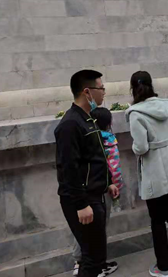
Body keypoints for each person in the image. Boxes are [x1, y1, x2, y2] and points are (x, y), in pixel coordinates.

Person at [126, 71, 168, 277]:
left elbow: (141, 147)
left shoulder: (136, 113)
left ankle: (163, 266)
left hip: (154, 166)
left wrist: (137, 148)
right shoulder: (165, 105)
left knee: (157, 218)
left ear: (133, 88)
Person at [55, 70, 119, 277]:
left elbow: (96, 156)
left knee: (96, 256)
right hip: (83, 199)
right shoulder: (70, 124)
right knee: (91, 257)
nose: (104, 92)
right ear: (87, 92)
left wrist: (108, 182)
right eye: (101, 88)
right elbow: (68, 168)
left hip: (95, 193)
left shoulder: (87, 119)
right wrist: (81, 204)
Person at [73, 108, 122, 276]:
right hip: (104, 188)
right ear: (109, 123)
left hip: (87, 188)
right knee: (99, 228)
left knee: (82, 228)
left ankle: (79, 261)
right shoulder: (109, 141)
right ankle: (97, 264)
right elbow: (114, 168)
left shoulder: (86, 138)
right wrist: (115, 185)